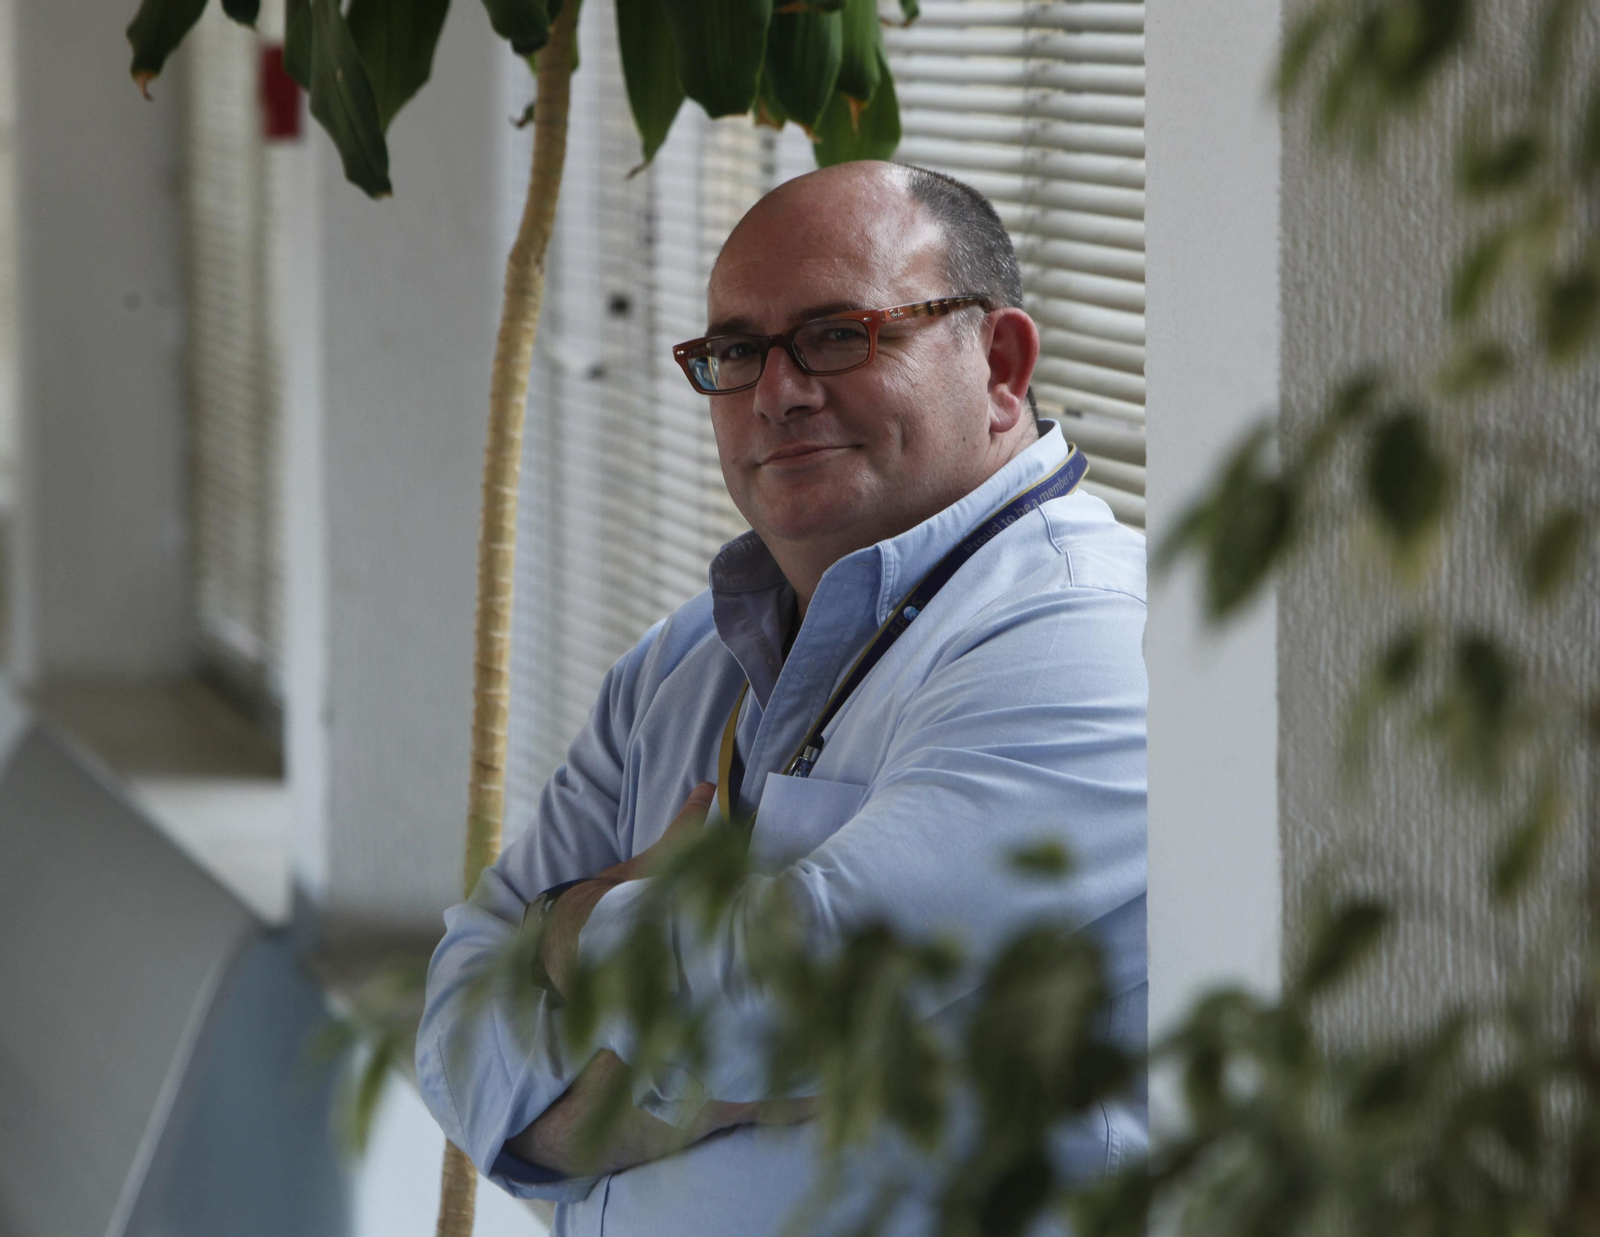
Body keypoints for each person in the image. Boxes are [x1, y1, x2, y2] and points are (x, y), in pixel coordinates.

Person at [416, 159, 1147, 1236]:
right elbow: (456, 1031)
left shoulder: (1090, 636)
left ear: (1000, 364)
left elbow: (769, 1001)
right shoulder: (679, 663)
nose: (778, 390)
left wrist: (564, 930)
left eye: (839, 334)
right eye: (735, 352)